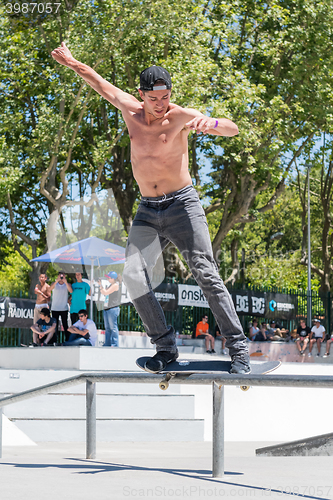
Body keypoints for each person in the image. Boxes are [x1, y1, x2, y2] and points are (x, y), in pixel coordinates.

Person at [51, 44, 250, 374]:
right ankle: (165, 346)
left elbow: (233, 128)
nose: (161, 105)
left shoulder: (182, 116)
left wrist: (209, 122)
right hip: (148, 210)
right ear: (140, 95)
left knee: (205, 272)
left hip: (183, 206)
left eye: (166, 97)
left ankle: (239, 349)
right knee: (132, 275)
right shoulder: (130, 110)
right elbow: (98, 82)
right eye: (154, 99)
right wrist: (72, 61)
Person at [98, 271, 121, 347]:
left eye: (108, 277)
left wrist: (101, 285)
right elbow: (103, 292)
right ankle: (107, 343)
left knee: (113, 327)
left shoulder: (115, 285)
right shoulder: (110, 285)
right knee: (107, 328)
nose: (107, 279)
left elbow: (105, 292)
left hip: (113, 308)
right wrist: (100, 286)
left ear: (112, 278)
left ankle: (114, 344)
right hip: (107, 308)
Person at [49, 271, 72, 342]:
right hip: (55, 308)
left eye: (63, 276)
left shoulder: (67, 284)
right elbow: (49, 290)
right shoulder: (54, 284)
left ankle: (67, 340)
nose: (61, 277)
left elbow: (71, 291)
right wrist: (56, 281)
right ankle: (54, 340)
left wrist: (65, 282)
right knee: (55, 326)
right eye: (60, 276)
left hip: (64, 308)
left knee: (65, 325)